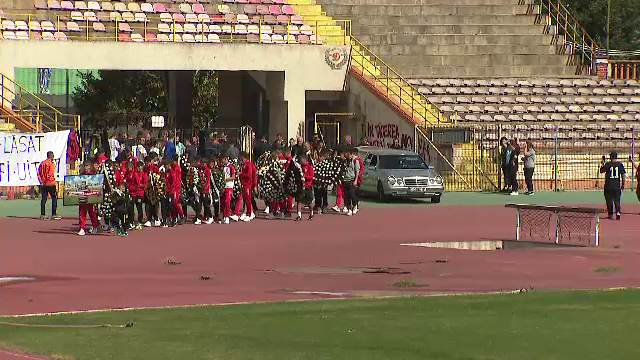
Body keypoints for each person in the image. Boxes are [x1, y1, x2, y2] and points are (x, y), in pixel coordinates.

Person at [600, 152, 625, 220]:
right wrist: (623, 184)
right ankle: (618, 212)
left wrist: (602, 163)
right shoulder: (620, 164)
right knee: (617, 200)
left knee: (609, 201)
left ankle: (610, 214)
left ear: (611, 157)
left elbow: (601, 171)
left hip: (608, 185)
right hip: (616, 186)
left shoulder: (608, 164)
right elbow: (623, 175)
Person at [77, 158, 100, 236]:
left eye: (87, 166)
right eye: (85, 166)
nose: (86, 167)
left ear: (90, 166)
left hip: (91, 197)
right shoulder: (81, 175)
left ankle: (95, 226)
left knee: (92, 213)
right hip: (83, 196)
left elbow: (96, 185)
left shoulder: (94, 175)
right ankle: (82, 228)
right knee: (82, 213)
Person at [37, 151, 61, 220]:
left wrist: (41, 181)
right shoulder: (51, 164)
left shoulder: (42, 163)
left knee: (43, 199)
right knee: (54, 198)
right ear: (52, 156)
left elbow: (38, 173)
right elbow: (50, 174)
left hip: (44, 184)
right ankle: (53, 214)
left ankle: (42, 214)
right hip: (50, 183)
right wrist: (53, 181)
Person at [127, 161, 147, 230]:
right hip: (133, 194)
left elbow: (144, 184)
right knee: (131, 208)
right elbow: (132, 183)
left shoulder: (144, 174)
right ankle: (131, 222)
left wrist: (140, 186)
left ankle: (139, 222)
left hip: (140, 194)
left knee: (139, 208)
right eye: (138, 167)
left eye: (140, 167)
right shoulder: (134, 174)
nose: (139, 168)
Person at [295, 155, 315, 221]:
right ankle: (299, 215)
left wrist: (304, 176)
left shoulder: (310, 167)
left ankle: (311, 213)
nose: (300, 161)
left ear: (305, 160)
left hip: (308, 186)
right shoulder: (299, 167)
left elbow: (311, 177)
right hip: (301, 187)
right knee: (299, 201)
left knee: (309, 202)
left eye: (301, 160)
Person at [239, 152, 257, 221]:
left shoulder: (248, 164)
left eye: (241, 157)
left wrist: (241, 174)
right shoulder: (243, 164)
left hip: (248, 184)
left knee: (248, 200)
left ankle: (249, 214)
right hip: (244, 183)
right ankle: (248, 212)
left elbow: (249, 175)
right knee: (246, 199)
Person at [342, 149, 360, 216]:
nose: (347, 156)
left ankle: (355, 205)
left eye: (348, 155)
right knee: (347, 196)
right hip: (346, 180)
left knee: (352, 194)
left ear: (351, 154)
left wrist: (356, 180)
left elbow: (357, 171)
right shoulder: (345, 161)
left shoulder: (355, 161)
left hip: (352, 180)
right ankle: (349, 209)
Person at [220, 155, 236, 224]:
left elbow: (233, 177)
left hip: (229, 186)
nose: (222, 161)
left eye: (223, 159)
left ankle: (227, 216)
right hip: (224, 186)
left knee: (227, 201)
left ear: (226, 159)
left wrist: (225, 179)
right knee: (223, 201)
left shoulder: (231, 167)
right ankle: (224, 216)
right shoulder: (223, 168)